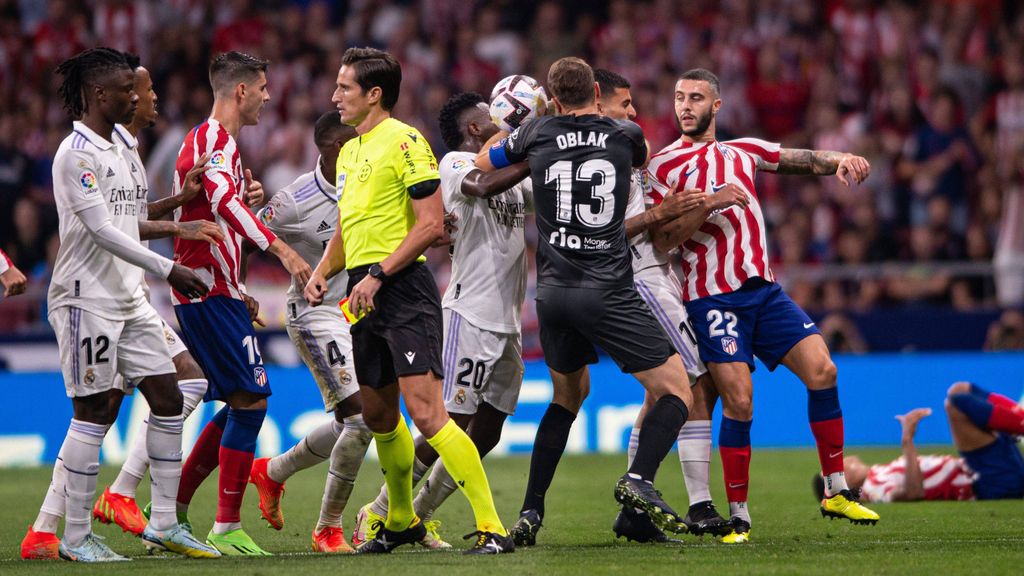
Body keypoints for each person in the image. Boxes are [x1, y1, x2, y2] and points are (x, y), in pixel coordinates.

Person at [647, 68, 878, 543]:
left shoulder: (745, 150)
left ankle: (835, 490)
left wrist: (842, 158)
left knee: (824, 370)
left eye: (695, 98)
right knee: (740, 401)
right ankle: (739, 517)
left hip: (764, 291)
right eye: (679, 98)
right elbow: (661, 241)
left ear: (717, 106)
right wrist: (708, 203)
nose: (685, 106)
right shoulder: (663, 167)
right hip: (711, 296)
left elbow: (802, 159)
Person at [476, 56, 695, 543]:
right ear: (597, 91)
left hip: (553, 294)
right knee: (677, 388)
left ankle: (530, 513)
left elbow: (482, 163)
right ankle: (638, 479)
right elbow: (639, 160)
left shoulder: (536, 133)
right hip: (607, 290)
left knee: (568, 397)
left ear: (552, 99)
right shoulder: (625, 135)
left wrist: (521, 122)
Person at [304, 47, 511, 555]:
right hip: (361, 290)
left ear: (375, 94)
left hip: (402, 290)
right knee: (378, 415)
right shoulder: (350, 150)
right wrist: (322, 269)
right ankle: (398, 521)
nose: (335, 96)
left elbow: (431, 225)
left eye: (345, 87)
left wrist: (377, 274)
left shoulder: (406, 141)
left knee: (427, 413)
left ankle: (492, 528)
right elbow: (350, 226)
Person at [22, 51, 222, 560]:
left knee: (171, 394)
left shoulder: (123, 145)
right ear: (97, 95)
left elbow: (129, 215)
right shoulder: (75, 153)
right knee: (93, 412)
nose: (134, 97)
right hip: (85, 299)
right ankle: (73, 538)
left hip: (126, 297)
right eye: (124, 90)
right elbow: (103, 229)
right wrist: (167, 267)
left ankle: (163, 523)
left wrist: (175, 207)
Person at [352, 91, 533, 549]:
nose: (499, 121)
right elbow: (483, 187)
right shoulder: (454, 162)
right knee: (444, 421)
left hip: (508, 319)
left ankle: (417, 516)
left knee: (488, 429)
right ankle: (379, 512)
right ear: (473, 129)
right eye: (489, 119)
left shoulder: (510, 171)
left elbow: (538, 194)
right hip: (468, 313)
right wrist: (538, 144)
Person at [171, 51, 311, 557]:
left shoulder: (219, 144)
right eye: (264, 87)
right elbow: (224, 205)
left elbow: (221, 207)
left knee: (237, 400)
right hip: (206, 290)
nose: (269, 96)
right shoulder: (212, 138)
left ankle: (172, 513)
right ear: (241, 92)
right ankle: (224, 525)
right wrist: (283, 249)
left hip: (217, 288)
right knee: (250, 402)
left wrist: (238, 279)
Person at [591, 68, 738, 543]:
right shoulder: (612, 150)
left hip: (648, 275)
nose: (634, 114)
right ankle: (697, 503)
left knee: (659, 391)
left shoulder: (608, 150)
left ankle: (634, 511)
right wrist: (678, 208)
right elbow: (635, 227)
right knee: (692, 380)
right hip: (644, 278)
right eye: (624, 105)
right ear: (598, 102)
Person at [246, 112, 374, 554]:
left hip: (363, 314)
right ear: (333, 147)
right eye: (355, 142)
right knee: (360, 419)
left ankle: (273, 471)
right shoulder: (294, 200)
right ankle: (328, 528)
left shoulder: (369, 180)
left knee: (353, 420)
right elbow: (247, 233)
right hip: (317, 315)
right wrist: (240, 288)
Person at [820, 382, 1024, 503]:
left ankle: (1019, 418)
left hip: (991, 469)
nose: (843, 461)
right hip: (989, 479)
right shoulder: (872, 489)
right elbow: (912, 492)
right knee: (956, 404)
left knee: (960, 389)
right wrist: (907, 440)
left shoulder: (878, 474)